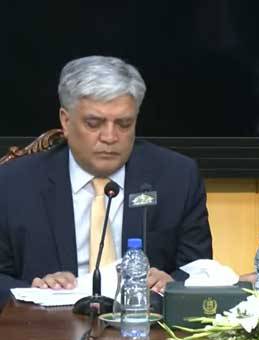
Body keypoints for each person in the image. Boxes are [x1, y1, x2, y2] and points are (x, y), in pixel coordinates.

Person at [0, 56, 212, 306]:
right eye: (94, 124)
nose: (110, 137)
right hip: (48, 324)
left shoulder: (177, 177)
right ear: (66, 122)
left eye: (124, 124)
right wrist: (37, 291)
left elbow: (199, 271)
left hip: (145, 322)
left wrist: (171, 284)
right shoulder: (13, 183)